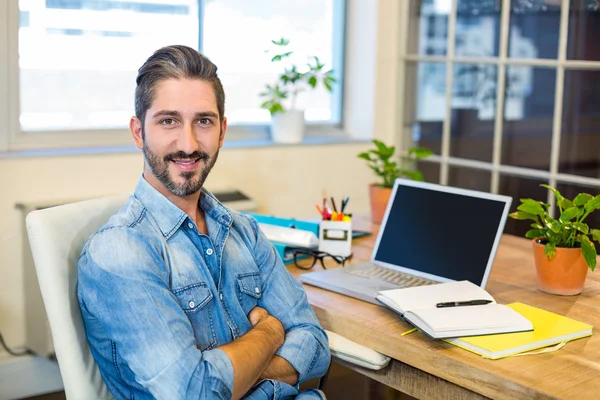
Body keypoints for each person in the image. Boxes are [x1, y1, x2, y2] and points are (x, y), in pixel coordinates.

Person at [77, 45, 330, 400]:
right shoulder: (121, 250)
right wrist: (271, 334)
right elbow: (195, 392)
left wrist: (236, 375)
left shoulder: (245, 231)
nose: (189, 143)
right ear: (138, 132)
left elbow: (315, 345)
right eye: (168, 121)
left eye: (204, 121)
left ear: (222, 131)